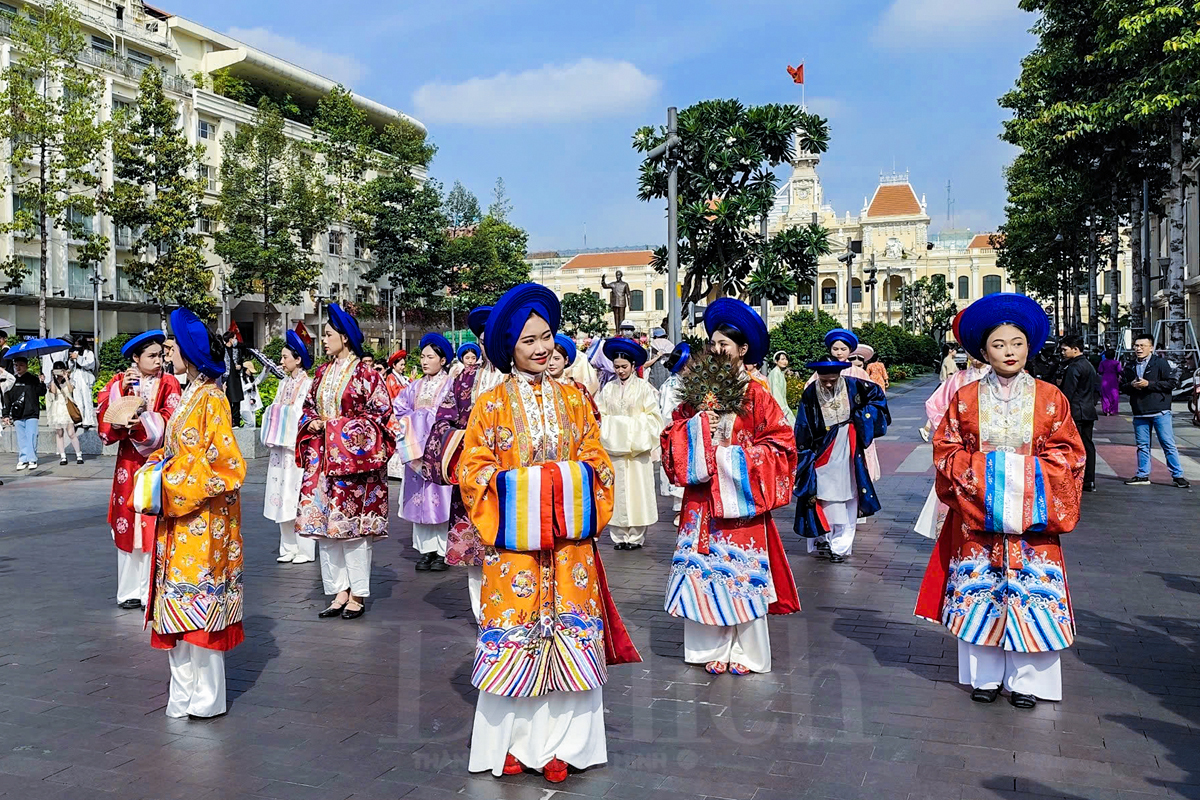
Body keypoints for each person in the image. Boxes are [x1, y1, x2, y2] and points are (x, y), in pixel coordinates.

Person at [459, 283, 639, 782]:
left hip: (569, 551)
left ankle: (563, 745)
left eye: (546, 337)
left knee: (569, 640)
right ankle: (512, 742)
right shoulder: (491, 405)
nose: (541, 349)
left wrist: (559, 486)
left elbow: (597, 462)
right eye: (528, 341)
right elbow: (473, 473)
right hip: (515, 551)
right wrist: (534, 489)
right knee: (516, 641)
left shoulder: (577, 399)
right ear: (508, 350)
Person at [914, 293, 1085, 710]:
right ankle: (985, 677)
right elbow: (946, 451)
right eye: (999, 345)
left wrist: (1021, 477)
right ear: (983, 351)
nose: (1009, 352)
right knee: (982, 594)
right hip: (979, 522)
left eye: (1017, 344)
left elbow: (1070, 455)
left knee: (1032, 598)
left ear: (1029, 347)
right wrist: (989, 478)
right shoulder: (966, 398)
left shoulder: (1050, 398)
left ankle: (1028, 681)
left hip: (1033, 526)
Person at [660, 298, 800, 675]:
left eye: (727, 345)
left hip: (741, 505)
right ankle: (711, 649)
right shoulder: (695, 393)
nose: (719, 350)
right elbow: (670, 436)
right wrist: (696, 430)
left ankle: (747, 652)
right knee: (703, 572)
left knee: (741, 575)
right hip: (703, 503)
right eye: (714, 343)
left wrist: (729, 460)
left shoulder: (758, 396)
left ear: (743, 350)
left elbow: (781, 447)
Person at [146, 307, 246, 718]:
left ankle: (206, 699)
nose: (167, 350)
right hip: (179, 520)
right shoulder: (188, 395)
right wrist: (158, 463)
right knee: (177, 611)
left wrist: (171, 476)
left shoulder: (212, 398)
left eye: (171, 344)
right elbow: (178, 452)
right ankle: (181, 695)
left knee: (200, 610)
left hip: (204, 522)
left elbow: (227, 464)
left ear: (187, 352)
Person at [295, 303, 395, 619]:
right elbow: (309, 406)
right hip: (322, 461)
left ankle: (358, 594)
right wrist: (311, 422)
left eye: (327, 334)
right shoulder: (322, 373)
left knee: (353, 529)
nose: (323, 340)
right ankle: (339, 589)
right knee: (326, 529)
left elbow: (381, 414)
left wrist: (337, 427)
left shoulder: (366, 375)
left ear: (345, 338)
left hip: (354, 467)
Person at [97, 331, 181, 609]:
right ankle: (128, 590)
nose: (159, 361)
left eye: (161, 355)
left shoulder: (168, 383)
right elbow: (106, 418)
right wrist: (119, 394)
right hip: (128, 463)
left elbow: (172, 417)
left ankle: (150, 591)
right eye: (152, 356)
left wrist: (143, 421)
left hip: (154, 463)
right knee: (126, 523)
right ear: (136, 358)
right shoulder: (119, 383)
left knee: (149, 522)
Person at [794, 356, 890, 564]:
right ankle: (826, 537)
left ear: (840, 375)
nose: (828, 383)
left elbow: (878, 397)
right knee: (823, 493)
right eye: (824, 380)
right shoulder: (811, 392)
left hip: (848, 445)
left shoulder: (855, 385)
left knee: (849, 492)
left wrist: (863, 416)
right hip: (822, 450)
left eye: (833, 380)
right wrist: (803, 454)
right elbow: (803, 425)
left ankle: (841, 545)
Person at [395, 332, 455, 571]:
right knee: (419, 500)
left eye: (430, 356)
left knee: (440, 499)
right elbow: (399, 408)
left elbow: (454, 415)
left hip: (438, 451)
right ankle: (426, 550)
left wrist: (426, 420)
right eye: (422, 356)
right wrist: (414, 421)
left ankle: (442, 550)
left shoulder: (450, 385)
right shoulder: (414, 386)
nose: (424, 361)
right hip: (416, 453)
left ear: (442, 360)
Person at [595, 337, 663, 551]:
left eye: (624, 367)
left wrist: (624, 428)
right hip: (614, 452)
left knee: (637, 492)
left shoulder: (644, 389)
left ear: (634, 366)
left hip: (636, 453)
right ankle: (618, 535)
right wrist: (614, 427)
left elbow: (654, 418)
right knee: (617, 491)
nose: (620, 371)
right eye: (616, 367)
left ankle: (635, 536)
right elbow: (599, 415)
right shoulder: (608, 389)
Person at [263, 327, 315, 565]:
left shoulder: (307, 384)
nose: (282, 362)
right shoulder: (284, 384)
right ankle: (288, 546)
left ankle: (305, 548)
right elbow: (275, 410)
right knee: (280, 495)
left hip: (297, 450)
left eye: (285, 357)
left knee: (297, 494)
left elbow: (300, 414)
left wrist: (278, 413)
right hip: (280, 450)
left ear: (298, 359)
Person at [807, 329, 882, 481]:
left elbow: (874, 398)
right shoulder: (820, 371)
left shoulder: (858, 373)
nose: (839, 353)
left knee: (854, 466)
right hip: (828, 428)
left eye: (843, 349)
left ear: (850, 351)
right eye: (835, 349)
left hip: (854, 427)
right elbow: (808, 393)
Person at [1121, 334, 1189, 488]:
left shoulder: (1160, 363)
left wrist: (1148, 384)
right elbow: (1122, 387)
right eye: (1136, 346)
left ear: (1151, 348)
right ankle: (1142, 474)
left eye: (1142, 346)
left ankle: (1178, 475)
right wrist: (1131, 385)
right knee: (1142, 445)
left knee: (1168, 444)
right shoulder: (1130, 366)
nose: (1138, 349)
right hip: (1139, 411)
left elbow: (1171, 384)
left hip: (1160, 411)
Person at [1058, 335, 1100, 493]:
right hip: (1088, 410)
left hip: (1076, 412)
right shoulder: (1088, 365)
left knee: (1076, 447)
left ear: (1075, 349)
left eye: (1064, 349)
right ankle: (1089, 479)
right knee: (1088, 445)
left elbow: (1068, 392)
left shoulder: (1074, 367)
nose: (1062, 352)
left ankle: (1079, 478)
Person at [657, 343, 690, 526]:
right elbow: (668, 412)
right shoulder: (671, 385)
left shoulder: (684, 382)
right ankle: (679, 511)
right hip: (677, 432)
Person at [2, 356, 45, 470]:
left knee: (31, 436)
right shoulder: (12, 380)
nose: (18, 367)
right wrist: (6, 414)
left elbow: (41, 392)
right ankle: (23, 458)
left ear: (26, 366)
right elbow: (7, 399)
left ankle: (32, 459)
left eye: (21, 365)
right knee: (21, 437)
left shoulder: (33, 379)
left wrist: (42, 382)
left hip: (31, 412)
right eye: (16, 365)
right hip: (17, 414)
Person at [547, 334, 599, 420]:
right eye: (548, 358)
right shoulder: (537, 387)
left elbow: (592, 417)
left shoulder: (578, 388)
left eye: (556, 359)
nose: (551, 363)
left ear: (566, 360)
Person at [45, 360, 83, 465]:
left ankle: (78, 454)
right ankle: (63, 456)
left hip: (67, 408)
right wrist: (53, 378)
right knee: (59, 433)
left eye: (60, 370)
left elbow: (71, 390)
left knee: (71, 433)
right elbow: (53, 392)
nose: (59, 373)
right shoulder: (53, 382)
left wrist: (66, 378)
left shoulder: (70, 381)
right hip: (57, 409)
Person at [384, 350, 410, 480]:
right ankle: (394, 470)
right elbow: (395, 394)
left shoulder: (402, 378)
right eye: (401, 365)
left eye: (404, 365)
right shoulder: (391, 378)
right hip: (395, 413)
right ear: (394, 365)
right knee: (397, 441)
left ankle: (399, 469)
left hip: (403, 413)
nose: (403, 367)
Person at [68, 339, 97, 429]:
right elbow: (70, 366)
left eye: (78, 344)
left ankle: (88, 420)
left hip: (85, 376)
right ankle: (79, 419)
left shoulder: (89, 353)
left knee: (87, 398)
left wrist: (78, 358)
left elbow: (89, 364)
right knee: (77, 399)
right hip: (76, 375)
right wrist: (72, 360)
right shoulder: (75, 352)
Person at [221, 330, 244, 428]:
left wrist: (240, 366)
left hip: (235, 377)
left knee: (237, 400)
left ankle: (237, 421)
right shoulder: (222, 350)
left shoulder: (237, 350)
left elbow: (242, 359)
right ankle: (228, 421)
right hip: (226, 377)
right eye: (234, 338)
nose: (236, 340)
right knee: (228, 400)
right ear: (230, 339)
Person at [767, 350, 795, 426]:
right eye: (782, 359)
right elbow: (776, 392)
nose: (785, 361)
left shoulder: (780, 373)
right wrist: (782, 409)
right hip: (778, 407)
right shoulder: (775, 373)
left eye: (786, 359)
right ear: (776, 361)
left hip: (782, 406)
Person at [1098, 349, 1121, 416]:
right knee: (1114, 395)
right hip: (1114, 379)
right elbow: (1119, 370)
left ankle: (1106, 410)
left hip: (1105, 378)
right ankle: (1113, 410)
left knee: (1105, 395)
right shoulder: (1116, 363)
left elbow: (1100, 370)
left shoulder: (1102, 363)